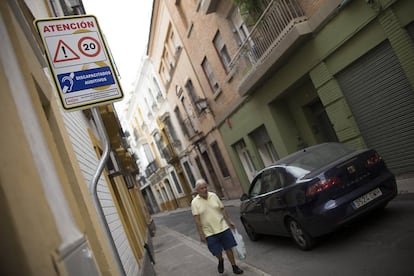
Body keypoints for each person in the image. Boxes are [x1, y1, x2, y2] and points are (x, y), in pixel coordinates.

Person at [191, 179, 244, 274]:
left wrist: (229, 221)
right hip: (209, 232)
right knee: (216, 252)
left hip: (222, 227)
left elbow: (222, 209)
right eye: (202, 188)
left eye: (205, 187)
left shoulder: (213, 196)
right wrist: (201, 233)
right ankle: (220, 260)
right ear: (197, 190)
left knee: (229, 248)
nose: (204, 189)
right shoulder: (195, 202)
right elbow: (197, 220)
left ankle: (234, 266)